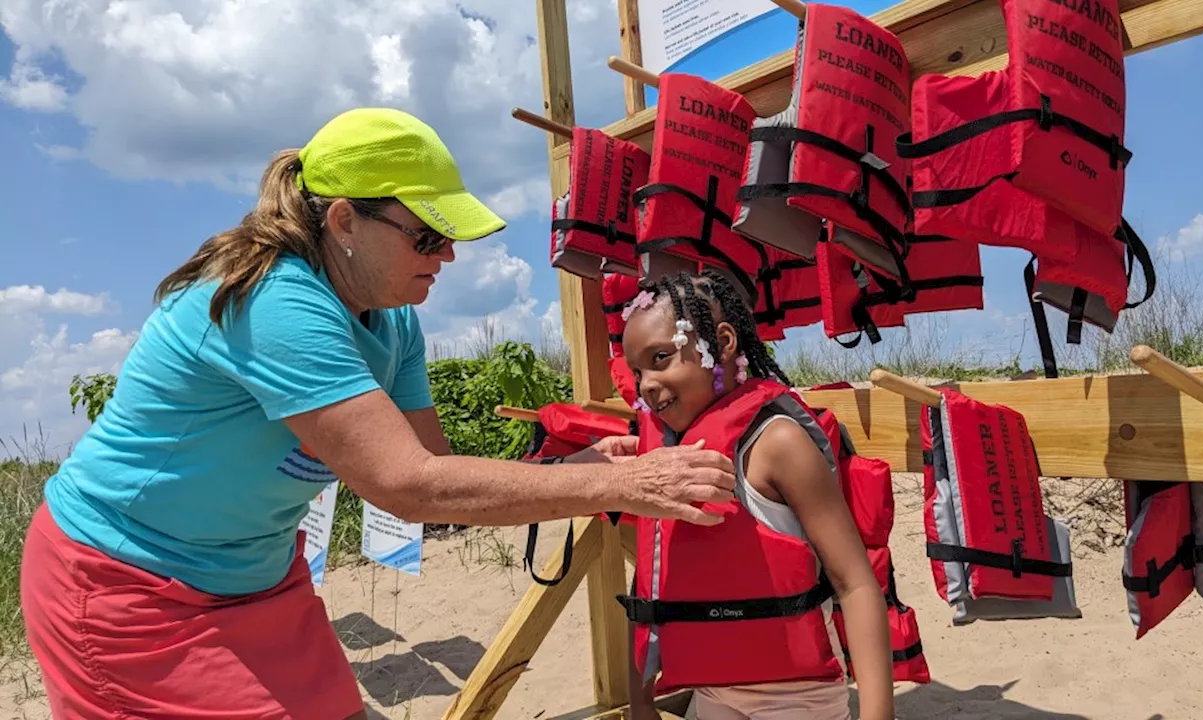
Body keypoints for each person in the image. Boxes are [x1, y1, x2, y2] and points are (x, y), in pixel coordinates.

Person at [19, 107, 738, 720]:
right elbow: (404, 486)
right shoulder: (275, 301)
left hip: (256, 578)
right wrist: (621, 484)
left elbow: (436, 479)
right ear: (343, 222)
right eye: (427, 236)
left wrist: (576, 467)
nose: (449, 255)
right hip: (127, 583)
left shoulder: (393, 323)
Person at [620, 270, 895, 720]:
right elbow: (649, 582)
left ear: (723, 343)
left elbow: (855, 582)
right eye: (637, 372)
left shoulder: (779, 443)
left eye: (662, 357)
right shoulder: (665, 458)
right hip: (710, 696)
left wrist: (878, 714)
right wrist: (639, 702)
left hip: (799, 702)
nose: (647, 384)